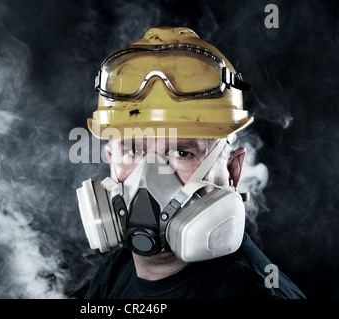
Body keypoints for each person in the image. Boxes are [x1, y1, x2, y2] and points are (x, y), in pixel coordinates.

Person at [74, 27, 306, 299]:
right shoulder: (118, 269)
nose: (149, 174)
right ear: (111, 159)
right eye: (134, 150)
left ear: (233, 171)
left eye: (182, 153)